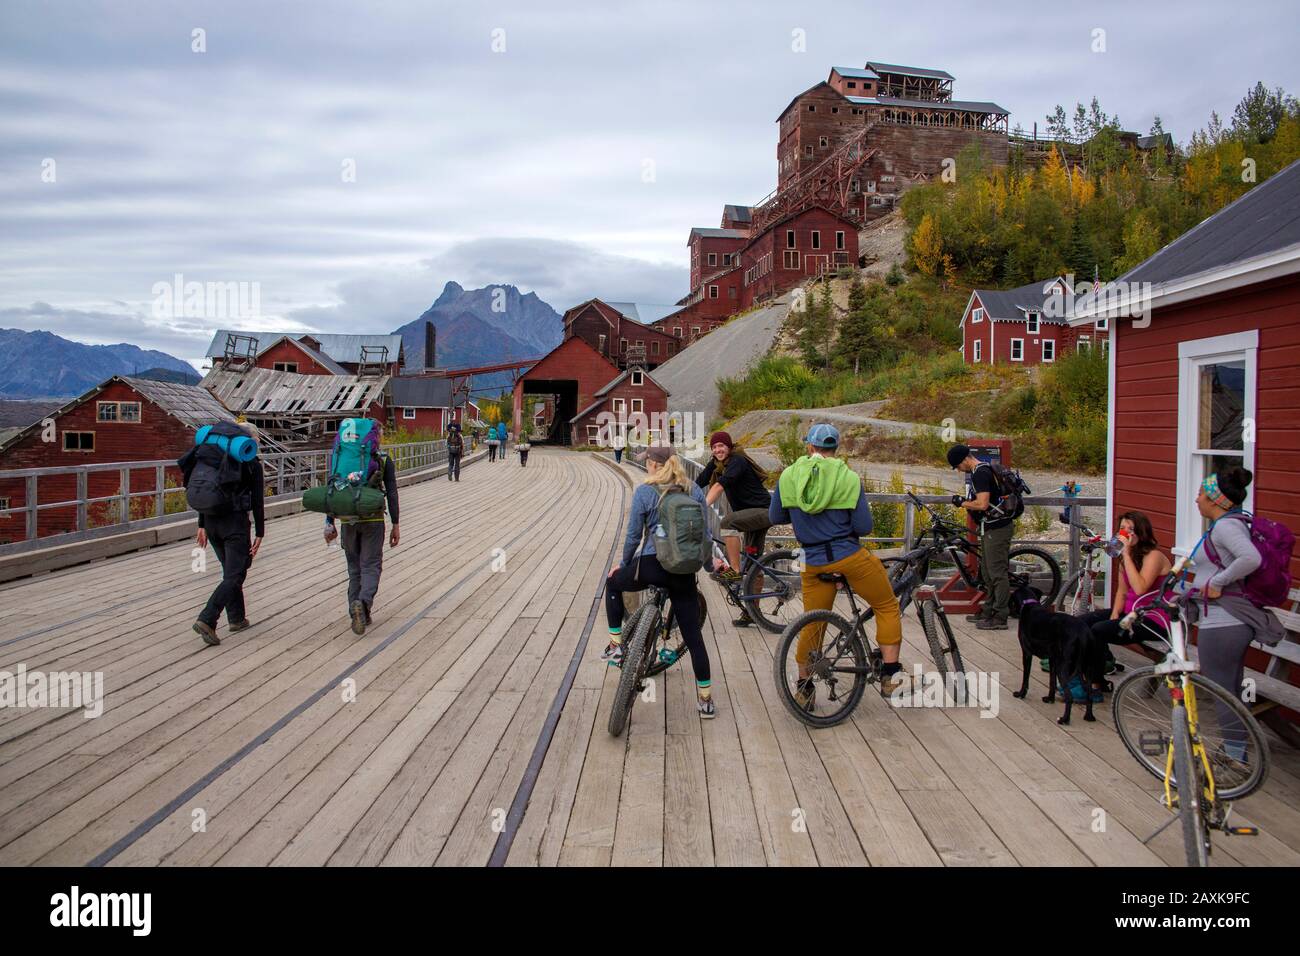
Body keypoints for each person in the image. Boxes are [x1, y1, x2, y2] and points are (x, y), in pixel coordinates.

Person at [771, 424, 910, 702]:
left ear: (809, 447)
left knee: (813, 622)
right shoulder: (848, 478)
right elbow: (864, 525)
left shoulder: (788, 476)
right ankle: (891, 677)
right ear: (836, 449)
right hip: (848, 557)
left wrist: (804, 518)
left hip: (811, 560)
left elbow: (776, 517)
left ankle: (804, 689)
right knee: (886, 605)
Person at [601, 444, 716, 718]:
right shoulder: (694, 490)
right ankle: (706, 700)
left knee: (613, 584)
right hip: (684, 572)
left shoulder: (645, 492)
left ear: (653, 464)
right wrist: (709, 565)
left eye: (648, 461)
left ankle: (616, 646)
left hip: (652, 566)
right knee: (694, 638)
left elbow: (633, 537)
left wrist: (623, 564)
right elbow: (706, 536)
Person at [1187, 466, 1284, 761]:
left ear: (1216, 500)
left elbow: (1250, 558)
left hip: (1224, 620)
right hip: (1224, 619)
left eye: (1201, 494)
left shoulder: (1227, 527)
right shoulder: (1229, 524)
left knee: (1221, 690)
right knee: (1229, 687)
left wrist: (1216, 583)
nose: (1196, 499)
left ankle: (1234, 755)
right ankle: (1235, 749)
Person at [180, 421, 265, 646]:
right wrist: (260, 533)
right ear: (248, 441)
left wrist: (201, 524)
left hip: (210, 522)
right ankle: (208, 618)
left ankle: (237, 618)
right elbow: (257, 501)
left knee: (230, 571)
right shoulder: (252, 465)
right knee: (236, 574)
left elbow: (203, 489)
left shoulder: (209, 459)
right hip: (234, 524)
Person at [1078, 511, 1172, 695]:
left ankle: (1095, 684)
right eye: (1122, 528)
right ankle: (1092, 672)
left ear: (1141, 532)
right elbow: (1122, 591)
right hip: (1130, 615)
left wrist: (1127, 554)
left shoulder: (1154, 556)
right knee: (1083, 622)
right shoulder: (1126, 558)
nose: (1125, 533)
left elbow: (1140, 588)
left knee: (1099, 631)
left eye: (1131, 529)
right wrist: (1114, 614)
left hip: (1153, 619)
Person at [323, 434, 401, 636]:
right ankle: (363, 604)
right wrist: (395, 524)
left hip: (348, 520)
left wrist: (329, 522)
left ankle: (354, 609)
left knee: (354, 568)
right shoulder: (383, 458)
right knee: (371, 565)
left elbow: (332, 490)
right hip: (373, 521)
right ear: (378, 437)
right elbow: (391, 492)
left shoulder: (343, 459)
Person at [696, 430, 773, 626]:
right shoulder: (716, 464)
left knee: (727, 522)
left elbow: (720, 486)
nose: (717, 449)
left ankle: (735, 569)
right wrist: (679, 493)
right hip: (750, 516)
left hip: (763, 511)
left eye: (721, 445)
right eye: (714, 447)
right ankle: (752, 613)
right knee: (754, 561)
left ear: (729, 446)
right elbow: (699, 482)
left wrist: (700, 508)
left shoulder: (738, 461)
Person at [947, 444, 1016, 630]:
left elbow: (983, 504)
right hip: (990, 528)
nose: (959, 471)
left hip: (997, 528)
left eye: (958, 466)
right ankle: (989, 610)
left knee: (996, 572)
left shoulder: (979, 474)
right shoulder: (984, 469)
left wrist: (963, 503)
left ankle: (1000, 615)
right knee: (986, 571)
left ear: (964, 460)